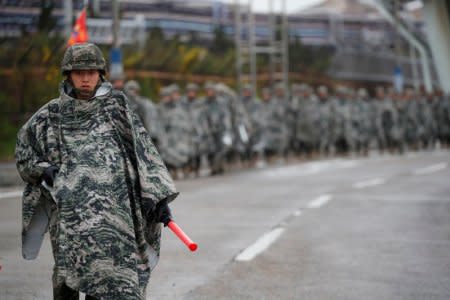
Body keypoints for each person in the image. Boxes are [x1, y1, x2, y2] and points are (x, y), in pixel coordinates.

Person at [15, 43, 178, 300]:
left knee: (112, 281)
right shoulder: (49, 115)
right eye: (79, 71)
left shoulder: (118, 109)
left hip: (114, 216)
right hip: (69, 218)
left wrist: (157, 197)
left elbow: (144, 153)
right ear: (68, 74)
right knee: (69, 278)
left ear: (100, 74)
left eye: (91, 71)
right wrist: (42, 169)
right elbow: (24, 152)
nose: (86, 77)